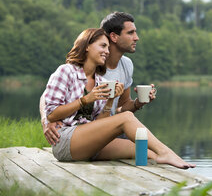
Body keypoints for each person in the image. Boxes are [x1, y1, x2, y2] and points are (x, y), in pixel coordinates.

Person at [40, 14, 195, 169]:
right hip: (67, 139)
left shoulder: (103, 79)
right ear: (87, 46)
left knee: (145, 150)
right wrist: (49, 120)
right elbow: (50, 107)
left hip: (92, 139)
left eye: (107, 47)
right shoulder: (68, 71)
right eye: (102, 46)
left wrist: (116, 101)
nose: (106, 51)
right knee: (126, 117)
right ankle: (166, 152)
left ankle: (168, 159)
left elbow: (105, 119)